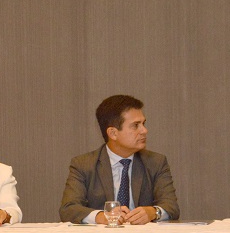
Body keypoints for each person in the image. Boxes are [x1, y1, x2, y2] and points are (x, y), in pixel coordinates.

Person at [60, 94, 179, 225]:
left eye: (143, 123)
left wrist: (153, 212)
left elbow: (171, 207)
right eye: (136, 125)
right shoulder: (83, 165)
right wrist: (101, 217)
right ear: (113, 133)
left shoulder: (156, 162)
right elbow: (68, 209)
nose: (144, 130)